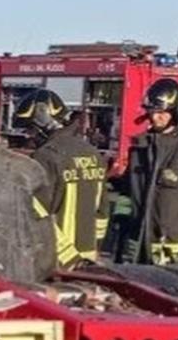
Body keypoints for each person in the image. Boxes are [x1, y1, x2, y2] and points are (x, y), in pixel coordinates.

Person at [114, 78, 178, 264]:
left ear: (175, 112)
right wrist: (121, 226)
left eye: (162, 113)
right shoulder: (139, 147)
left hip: (170, 251)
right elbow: (127, 193)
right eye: (152, 111)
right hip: (135, 246)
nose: (155, 117)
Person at [11, 89, 111, 268]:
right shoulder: (93, 153)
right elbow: (102, 211)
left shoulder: (45, 157)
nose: (29, 136)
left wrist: (69, 257)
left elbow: (37, 213)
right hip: (88, 256)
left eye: (30, 129)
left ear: (43, 123)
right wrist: (94, 248)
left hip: (58, 259)